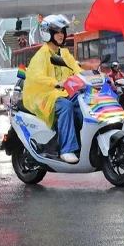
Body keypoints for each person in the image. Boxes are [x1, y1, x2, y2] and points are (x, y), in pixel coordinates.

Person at [23, 14, 85, 163]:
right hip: (42, 96)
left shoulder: (64, 53)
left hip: (61, 93)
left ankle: (84, 143)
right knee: (66, 106)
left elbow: (76, 69)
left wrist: (90, 78)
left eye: (62, 31)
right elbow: (37, 77)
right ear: (47, 33)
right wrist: (55, 83)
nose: (60, 35)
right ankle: (66, 149)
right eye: (56, 32)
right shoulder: (41, 55)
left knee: (85, 101)